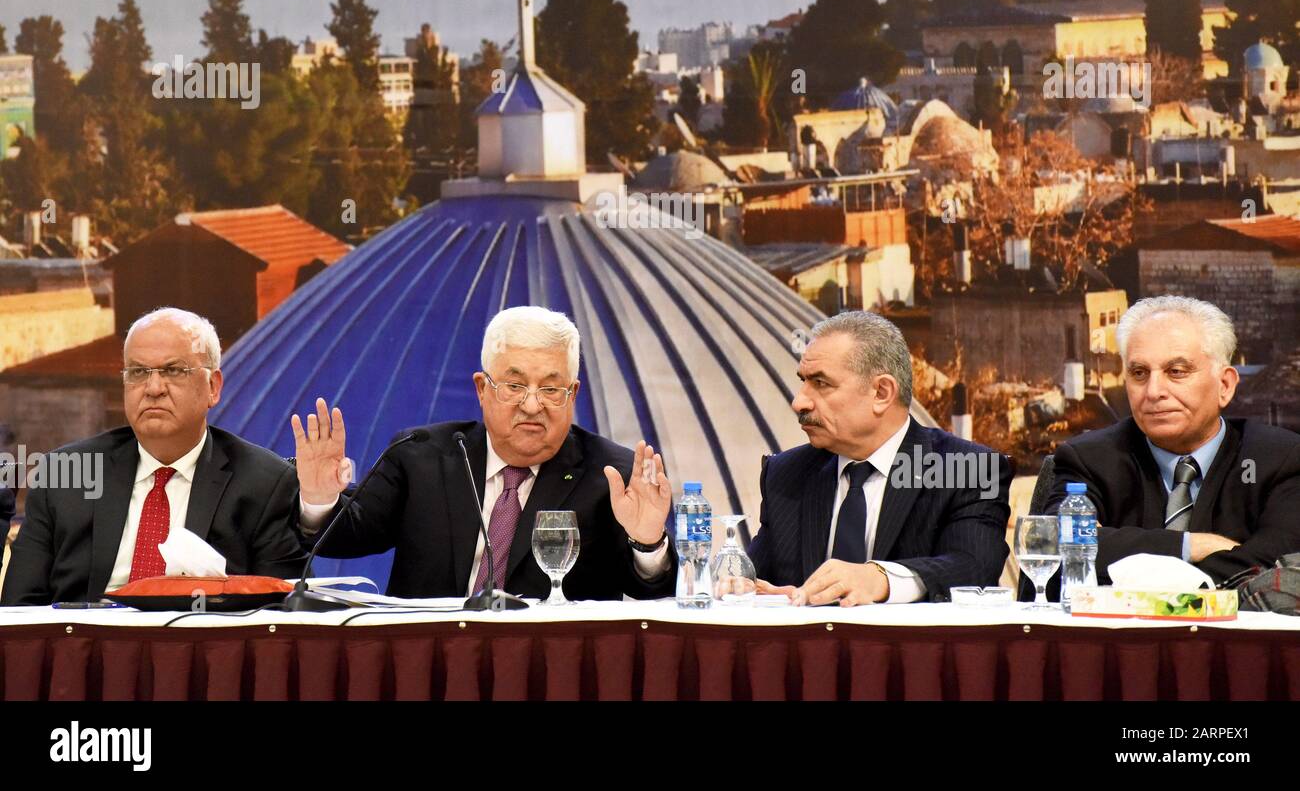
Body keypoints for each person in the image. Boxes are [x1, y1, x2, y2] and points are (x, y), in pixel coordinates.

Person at [294, 306, 675, 601]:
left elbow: (649, 592)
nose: (531, 405)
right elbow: (346, 537)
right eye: (514, 385)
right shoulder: (419, 457)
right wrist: (318, 497)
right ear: (482, 388)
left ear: (572, 394)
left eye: (550, 389)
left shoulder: (610, 476)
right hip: (427, 669)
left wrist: (647, 543)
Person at [1, 308, 306, 605]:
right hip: (87, 649)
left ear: (213, 387)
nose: (154, 388)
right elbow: (21, 608)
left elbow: (282, 617)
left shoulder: (264, 484)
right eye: (138, 372)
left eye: (173, 371)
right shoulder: (66, 475)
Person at [748, 311, 1011, 605]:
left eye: (821, 383)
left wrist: (881, 579)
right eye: (803, 382)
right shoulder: (786, 474)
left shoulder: (966, 469)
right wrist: (740, 588)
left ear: (882, 393)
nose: (799, 402)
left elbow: (974, 568)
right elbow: (757, 578)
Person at [1044, 295, 1300, 588]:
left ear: (1225, 386)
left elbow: (1279, 566)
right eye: (1139, 373)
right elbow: (1057, 549)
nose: (1153, 391)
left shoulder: (1280, 459)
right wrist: (1189, 546)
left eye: (1176, 372)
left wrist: (1124, 559)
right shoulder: (1088, 459)